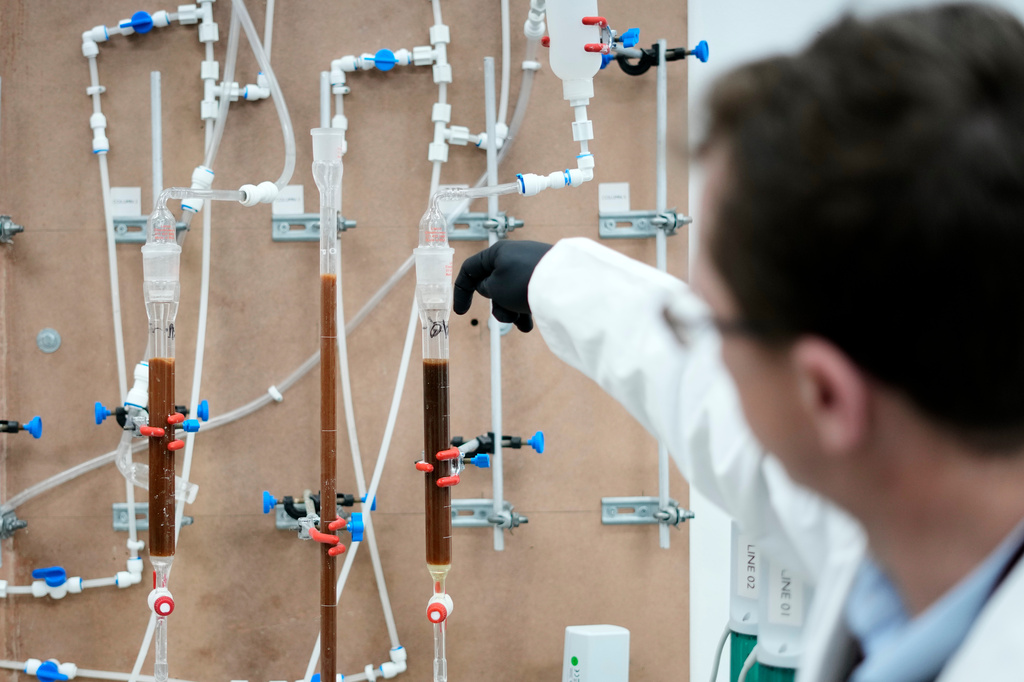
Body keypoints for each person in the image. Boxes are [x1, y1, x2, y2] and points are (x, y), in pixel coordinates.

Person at [452, 4, 1024, 681]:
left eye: (706, 322)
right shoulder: (909, 514)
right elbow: (707, 400)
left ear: (826, 396)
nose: (699, 346)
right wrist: (557, 280)